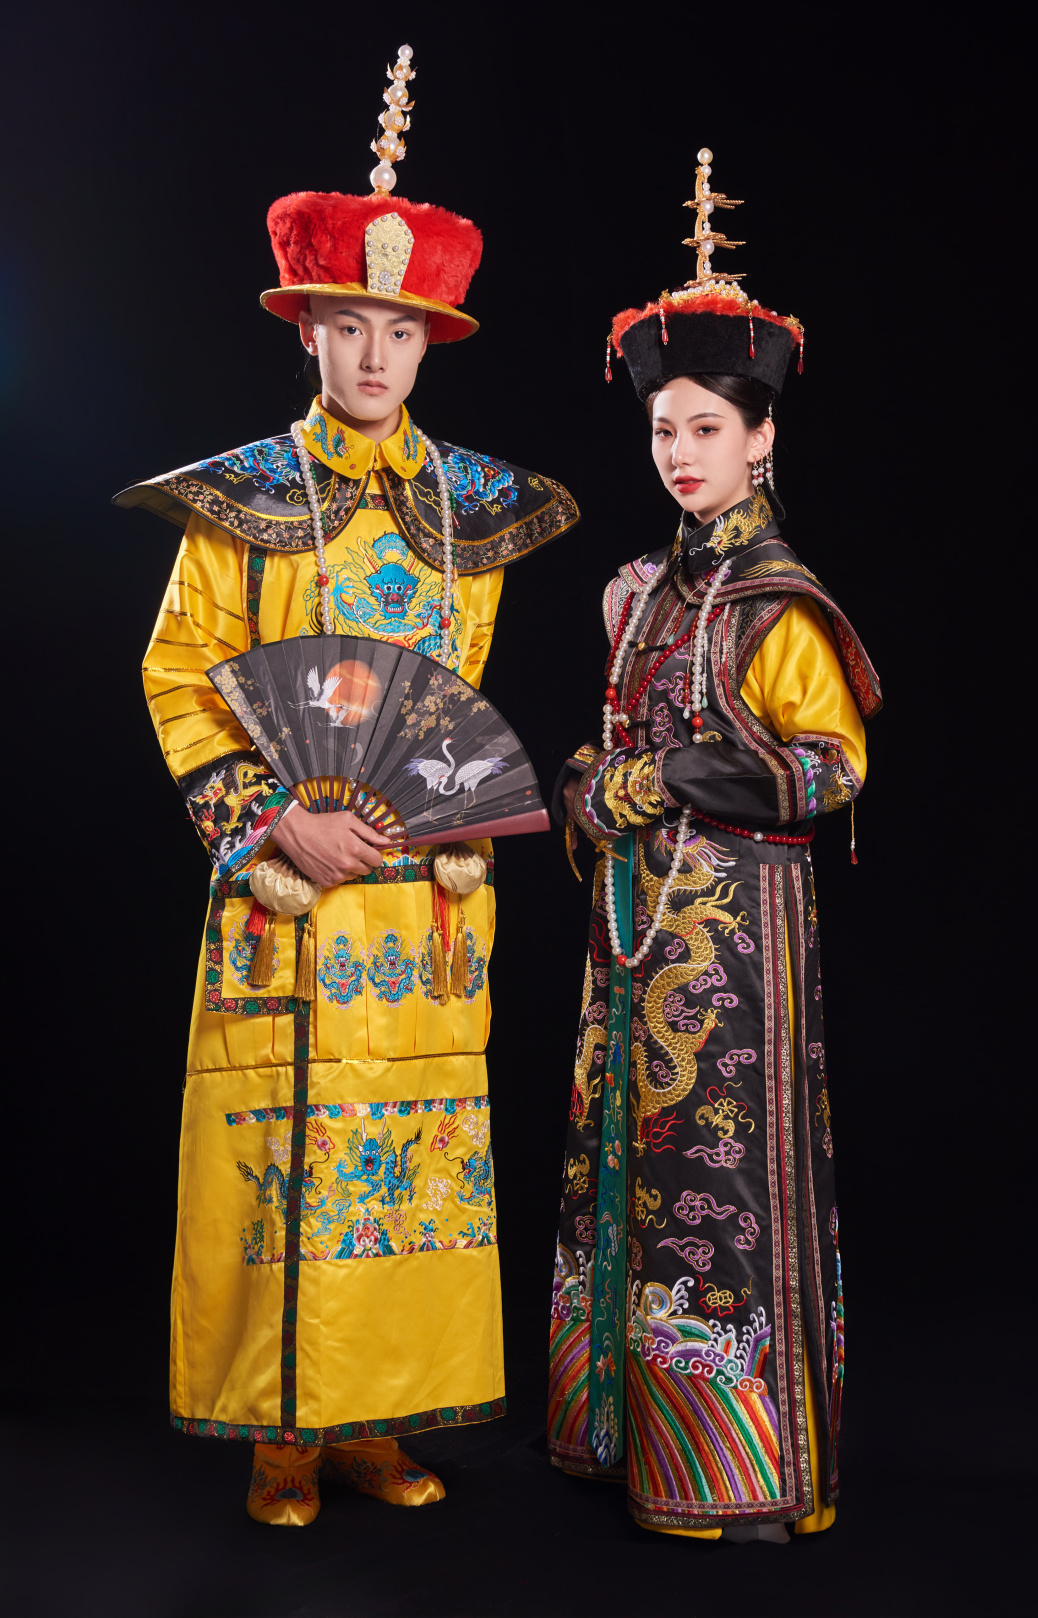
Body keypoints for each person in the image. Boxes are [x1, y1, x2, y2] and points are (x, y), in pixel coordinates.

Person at [117, 45, 578, 1527]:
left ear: (430, 343)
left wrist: (440, 822)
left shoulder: (469, 515)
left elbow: (457, 707)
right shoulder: (243, 503)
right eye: (349, 327)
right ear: (306, 328)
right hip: (284, 882)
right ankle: (284, 1434)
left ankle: (382, 1419)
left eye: (399, 332)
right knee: (283, 1153)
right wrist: (271, 822)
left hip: (420, 894)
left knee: (414, 1156)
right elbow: (181, 673)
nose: (374, 358)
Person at [547, 150, 880, 1540]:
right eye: (662, 430)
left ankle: (738, 1470)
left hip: (738, 948)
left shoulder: (779, 602)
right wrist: (592, 791)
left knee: (724, 1187)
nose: (679, 452)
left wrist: (667, 776)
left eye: (704, 427)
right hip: (633, 936)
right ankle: (629, 1439)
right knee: (625, 1168)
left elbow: (830, 768)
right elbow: (602, 751)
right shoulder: (637, 595)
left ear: (760, 437)